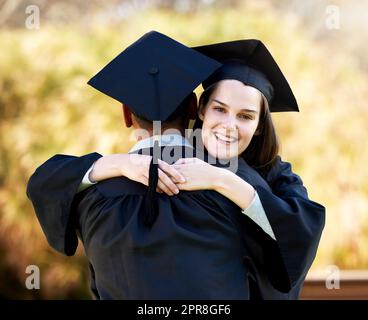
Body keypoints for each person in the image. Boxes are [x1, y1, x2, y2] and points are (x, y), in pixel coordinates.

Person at [27, 34, 325, 299]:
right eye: (220, 109)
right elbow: (285, 260)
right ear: (198, 108)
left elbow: (46, 184)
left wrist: (110, 164)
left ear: (127, 114)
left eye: (246, 116)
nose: (229, 125)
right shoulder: (249, 194)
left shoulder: (90, 196)